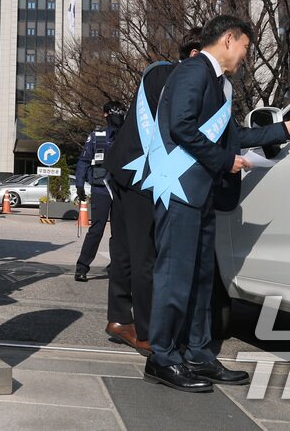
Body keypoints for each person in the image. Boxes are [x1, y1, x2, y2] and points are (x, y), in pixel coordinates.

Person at [144, 14, 290, 393]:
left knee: (202, 278)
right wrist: (225, 161)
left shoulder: (219, 84)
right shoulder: (193, 71)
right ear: (229, 40)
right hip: (179, 187)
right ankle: (162, 357)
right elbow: (181, 126)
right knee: (175, 275)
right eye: (246, 48)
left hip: (200, 192)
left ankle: (199, 353)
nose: (245, 56)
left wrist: (284, 128)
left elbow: (232, 135)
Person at [103, 30, 201, 356]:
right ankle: (146, 332)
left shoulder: (157, 71)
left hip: (122, 168)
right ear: (198, 53)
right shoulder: (182, 79)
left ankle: (119, 319)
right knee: (147, 256)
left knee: (124, 250)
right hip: (146, 176)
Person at [73, 100, 123, 282]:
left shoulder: (128, 134)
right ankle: (82, 266)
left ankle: (116, 266)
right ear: (105, 114)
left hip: (122, 190)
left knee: (119, 232)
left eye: (120, 111)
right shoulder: (97, 135)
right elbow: (84, 160)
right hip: (101, 188)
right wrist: (79, 184)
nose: (118, 115)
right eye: (114, 112)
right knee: (97, 229)